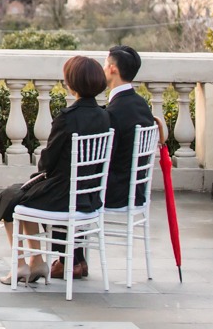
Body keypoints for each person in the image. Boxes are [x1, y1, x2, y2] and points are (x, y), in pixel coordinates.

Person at [0, 55, 111, 285]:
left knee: (9, 199)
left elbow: (47, 163)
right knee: (20, 196)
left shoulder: (67, 118)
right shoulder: (105, 116)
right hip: (89, 195)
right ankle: (36, 263)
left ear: (71, 83)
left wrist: (43, 166)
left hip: (63, 194)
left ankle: (21, 265)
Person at [52, 45, 156, 279]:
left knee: (67, 189)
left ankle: (71, 260)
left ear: (111, 69)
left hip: (115, 192)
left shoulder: (114, 112)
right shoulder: (141, 105)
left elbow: (98, 160)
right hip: (136, 190)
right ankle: (75, 259)